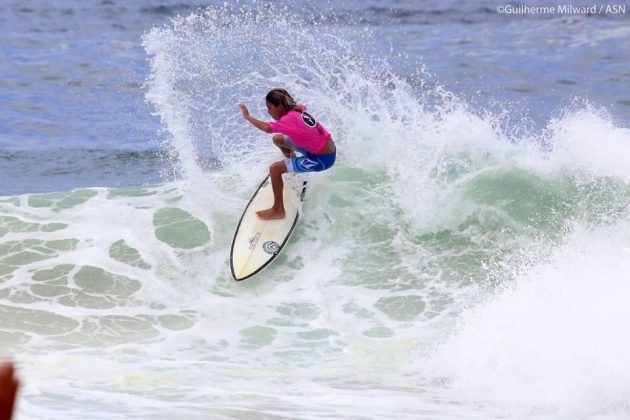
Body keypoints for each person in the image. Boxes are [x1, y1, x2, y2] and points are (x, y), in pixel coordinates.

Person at [238, 88, 336, 220]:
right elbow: (303, 107)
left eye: (270, 108)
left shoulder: (289, 119)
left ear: (280, 106)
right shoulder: (297, 109)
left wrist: (247, 116)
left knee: (275, 169)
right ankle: (293, 164)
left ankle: (278, 210)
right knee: (277, 139)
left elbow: (267, 128)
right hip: (319, 148)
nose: (269, 112)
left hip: (321, 159)